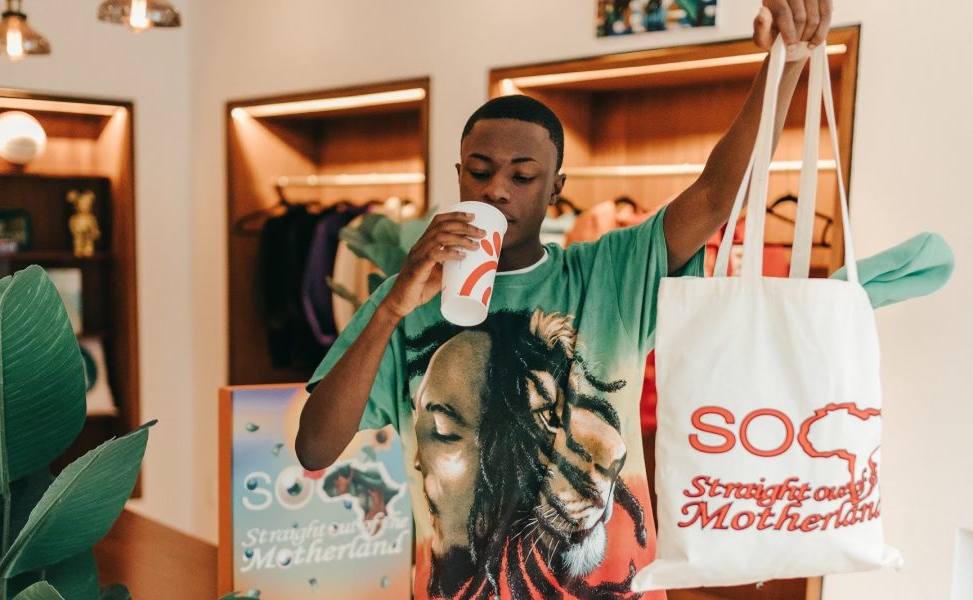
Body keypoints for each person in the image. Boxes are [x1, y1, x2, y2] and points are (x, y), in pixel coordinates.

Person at [297, 3, 834, 598]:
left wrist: (785, 63)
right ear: (459, 175)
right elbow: (315, 447)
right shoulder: (405, 298)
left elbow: (714, 195)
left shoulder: (611, 272)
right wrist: (394, 305)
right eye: (479, 171)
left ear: (556, 188)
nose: (496, 190)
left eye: (523, 176)